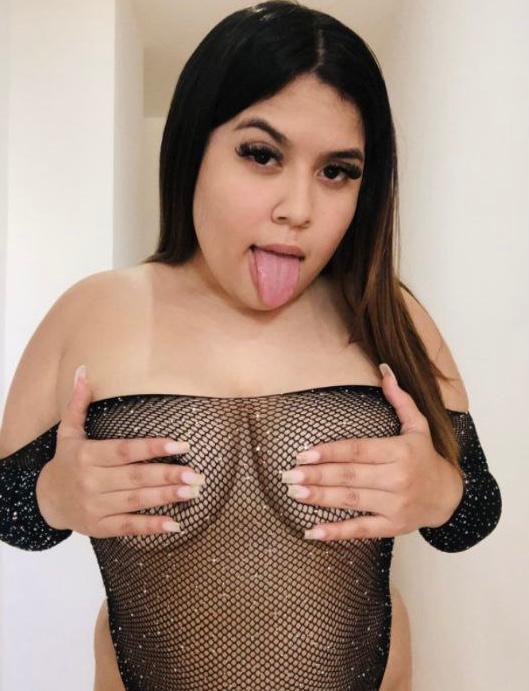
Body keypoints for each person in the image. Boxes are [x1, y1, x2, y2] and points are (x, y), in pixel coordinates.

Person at [0, 1, 502, 689]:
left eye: (337, 171)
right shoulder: (92, 311)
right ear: (192, 149)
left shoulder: (386, 313)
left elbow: (472, 511)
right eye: (261, 155)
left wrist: (437, 490)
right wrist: (54, 496)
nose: (298, 208)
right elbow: (13, 512)